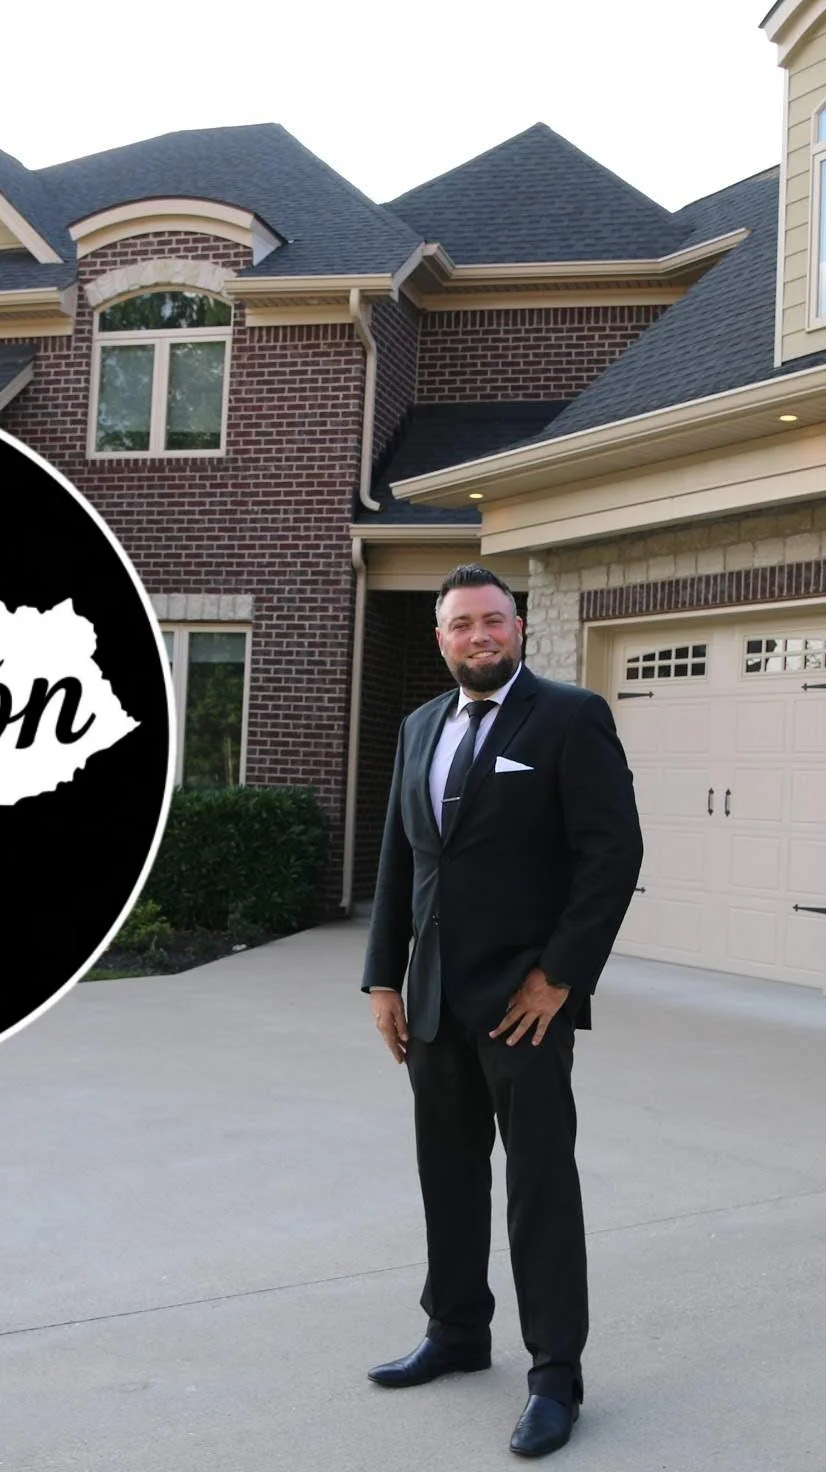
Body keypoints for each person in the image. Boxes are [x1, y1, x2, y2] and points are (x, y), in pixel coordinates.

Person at [360, 563, 644, 1459]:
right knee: (447, 1175)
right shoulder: (417, 727)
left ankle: (556, 1375)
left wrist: (559, 979)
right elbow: (402, 862)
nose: (479, 636)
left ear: (516, 628)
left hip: (525, 1005)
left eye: (493, 620)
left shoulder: (567, 716)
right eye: (460, 625)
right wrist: (382, 977)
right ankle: (455, 1332)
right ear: (439, 639)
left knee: (539, 1191)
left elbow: (612, 853)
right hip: (435, 999)